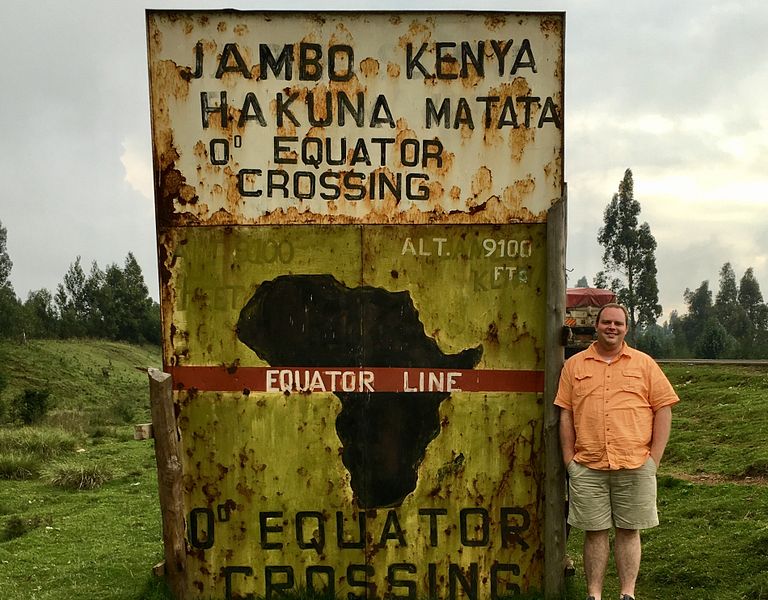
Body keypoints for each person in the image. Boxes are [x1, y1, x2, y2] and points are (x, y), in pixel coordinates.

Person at [555, 303, 679, 600]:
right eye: (607, 322)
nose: (612, 327)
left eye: (618, 324)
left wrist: (653, 461)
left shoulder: (644, 364)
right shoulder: (574, 366)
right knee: (594, 532)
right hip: (587, 465)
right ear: (596, 326)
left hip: (635, 463)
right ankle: (594, 594)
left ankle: (627, 593)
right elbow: (565, 415)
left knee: (629, 530)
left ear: (626, 328)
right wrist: (570, 461)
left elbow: (663, 409)